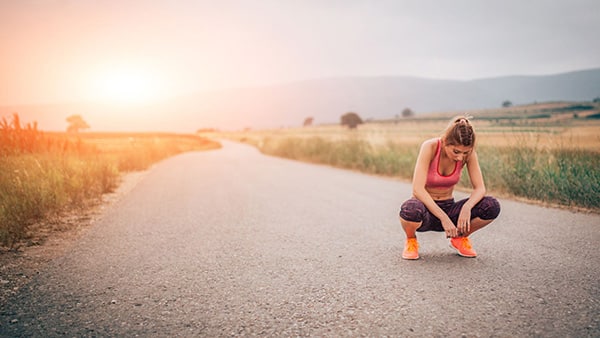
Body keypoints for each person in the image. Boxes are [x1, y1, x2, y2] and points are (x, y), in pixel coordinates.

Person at [399, 115, 500, 259]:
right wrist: (443, 218)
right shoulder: (430, 147)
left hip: (449, 207)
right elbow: (417, 189)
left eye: (465, 152)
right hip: (425, 209)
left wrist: (467, 207)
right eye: (456, 152)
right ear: (445, 141)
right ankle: (411, 240)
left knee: (491, 205)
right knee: (410, 209)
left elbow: (480, 188)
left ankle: (459, 238)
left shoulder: (468, 154)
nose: (460, 157)